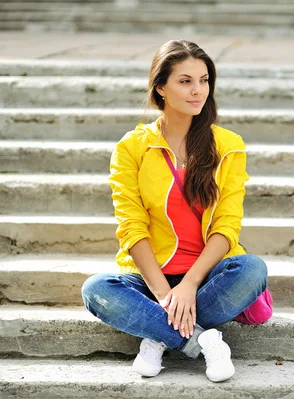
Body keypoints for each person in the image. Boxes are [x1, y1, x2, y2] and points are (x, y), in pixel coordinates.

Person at [81, 39, 269, 382]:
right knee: (96, 289)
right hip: (152, 279)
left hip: (208, 276)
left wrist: (190, 285)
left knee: (252, 269)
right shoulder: (131, 148)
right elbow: (131, 227)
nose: (198, 91)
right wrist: (166, 295)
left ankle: (156, 334)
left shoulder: (228, 145)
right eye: (185, 81)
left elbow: (227, 226)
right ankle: (199, 341)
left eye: (204, 80)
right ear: (161, 88)